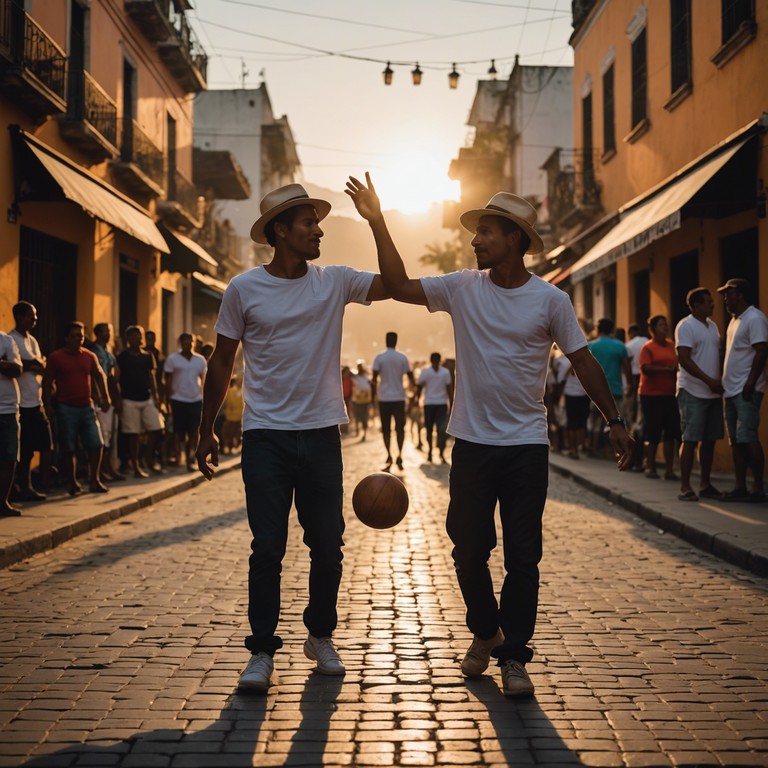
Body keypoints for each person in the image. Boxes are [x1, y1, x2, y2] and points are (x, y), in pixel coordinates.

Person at [347, 174, 633, 697]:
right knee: (467, 549)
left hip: (526, 445)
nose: (474, 240)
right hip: (473, 444)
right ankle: (487, 629)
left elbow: (583, 361)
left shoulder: (550, 300)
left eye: (486, 232)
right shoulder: (461, 287)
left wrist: (613, 420)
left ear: (515, 240)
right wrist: (378, 221)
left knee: (524, 556)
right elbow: (400, 283)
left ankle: (514, 655)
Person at [195, 182, 390, 692]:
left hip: (322, 433)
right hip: (265, 438)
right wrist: (207, 428)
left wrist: (376, 220)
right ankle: (261, 650)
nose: (319, 230)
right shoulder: (243, 288)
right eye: (308, 223)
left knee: (328, 545)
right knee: (268, 547)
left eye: (318, 223)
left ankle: (319, 635)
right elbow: (221, 362)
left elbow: (394, 282)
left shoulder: (335, 281)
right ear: (280, 232)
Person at [42, 322, 109, 496]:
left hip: (87, 407)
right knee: (68, 447)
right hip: (65, 408)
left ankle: (94, 479)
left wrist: (105, 396)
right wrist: (47, 404)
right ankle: (72, 482)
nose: (79, 339)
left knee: (96, 444)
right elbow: (47, 382)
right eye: (74, 335)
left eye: (81, 335)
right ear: (66, 338)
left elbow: (100, 375)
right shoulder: (56, 357)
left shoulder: (89, 356)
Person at [718, 278, 768, 503]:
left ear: (739, 294)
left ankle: (757, 487)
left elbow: (761, 351)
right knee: (736, 441)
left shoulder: (755, 318)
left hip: (747, 389)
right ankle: (740, 486)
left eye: (728, 294)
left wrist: (751, 382)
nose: (725, 299)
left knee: (749, 437)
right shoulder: (733, 321)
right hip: (731, 390)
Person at [674, 288, 725, 501]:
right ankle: (685, 486)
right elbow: (684, 359)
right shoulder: (686, 326)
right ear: (695, 305)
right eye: (707, 302)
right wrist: (709, 381)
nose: (712, 305)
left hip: (712, 392)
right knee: (690, 438)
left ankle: (705, 483)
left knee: (710, 439)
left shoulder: (712, 326)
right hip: (692, 390)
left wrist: (719, 380)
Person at [9, 302, 53, 500]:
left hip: (36, 400)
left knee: (45, 444)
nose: (34, 320)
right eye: (30, 316)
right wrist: (32, 364)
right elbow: (15, 365)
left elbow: (41, 364)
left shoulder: (32, 341)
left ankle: (42, 482)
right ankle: (22, 487)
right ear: (19, 317)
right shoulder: (12, 339)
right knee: (25, 449)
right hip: (22, 402)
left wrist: (36, 365)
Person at [115, 325, 164, 478]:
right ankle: (136, 465)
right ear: (128, 339)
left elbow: (152, 377)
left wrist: (156, 397)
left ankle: (147, 457)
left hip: (147, 398)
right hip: (129, 400)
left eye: (140, 336)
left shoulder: (148, 356)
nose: (138, 339)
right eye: (134, 336)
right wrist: (118, 398)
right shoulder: (122, 357)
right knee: (133, 435)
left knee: (157, 429)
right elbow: (116, 378)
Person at [638, 316, 680, 480]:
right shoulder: (648, 348)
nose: (665, 328)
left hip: (669, 394)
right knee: (653, 431)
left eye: (665, 325)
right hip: (650, 395)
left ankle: (670, 469)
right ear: (653, 329)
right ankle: (650, 466)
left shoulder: (672, 346)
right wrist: (665, 369)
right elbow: (645, 368)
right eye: (661, 325)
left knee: (670, 432)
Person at [587, 318, 633, 456]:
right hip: (615, 389)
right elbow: (626, 368)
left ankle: (593, 447)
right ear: (612, 329)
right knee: (616, 421)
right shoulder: (620, 346)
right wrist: (630, 384)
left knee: (595, 421)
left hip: (595, 392)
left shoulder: (591, 346)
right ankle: (615, 451)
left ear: (597, 329)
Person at [164, 333, 207, 471]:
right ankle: (178, 456)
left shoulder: (200, 360)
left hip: (195, 399)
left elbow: (204, 381)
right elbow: (168, 380)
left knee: (194, 432)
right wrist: (167, 399)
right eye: (184, 341)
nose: (188, 344)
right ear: (180, 343)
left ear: (194, 343)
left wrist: (205, 399)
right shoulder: (173, 359)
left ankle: (190, 458)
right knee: (178, 431)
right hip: (178, 398)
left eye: (190, 341)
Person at [372, 332, 414, 470]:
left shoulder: (380, 358)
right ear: (396, 341)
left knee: (386, 430)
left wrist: (373, 397)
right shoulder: (402, 358)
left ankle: (389, 455)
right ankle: (400, 456)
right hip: (399, 398)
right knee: (400, 429)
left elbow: (374, 379)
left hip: (384, 398)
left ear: (386, 341)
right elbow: (411, 377)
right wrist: (413, 395)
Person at [88, 323, 124, 483]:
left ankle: (109, 467)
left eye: (109, 331)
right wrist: (100, 396)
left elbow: (114, 377)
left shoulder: (110, 351)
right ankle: (100, 471)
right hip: (100, 399)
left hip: (110, 397)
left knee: (110, 435)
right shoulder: (93, 351)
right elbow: (94, 376)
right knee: (101, 436)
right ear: (97, 333)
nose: (108, 334)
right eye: (105, 331)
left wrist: (117, 396)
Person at [413, 351, 453, 463]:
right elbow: (420, 387)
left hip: (438, 404)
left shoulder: (441, 372)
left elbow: (449, 389)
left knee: (439, 430)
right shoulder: (431, 372)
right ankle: (431, 451)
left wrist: (450, 404)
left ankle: (438, 452)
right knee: (431, 429)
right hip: (431, 404)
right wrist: (417, 400)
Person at [0, 331, 22, 516]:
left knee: (9, 458)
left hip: (8, 409)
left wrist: (3, 363)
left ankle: (2, 502)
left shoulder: (6, 340)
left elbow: (17, 369)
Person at [624, 323, 649, 470]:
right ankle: (641, 461)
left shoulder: (628, 346)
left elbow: (627, 367)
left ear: (630, 333)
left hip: (633, 385)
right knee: (642, 425)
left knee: (633, 425)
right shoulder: (646, 342)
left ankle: (635, 460)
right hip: (646, 385)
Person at [221, 375, 243, 454]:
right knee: (237, 433)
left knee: (229, 434)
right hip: (239, 416)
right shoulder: (240, 391)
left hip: (231, 416)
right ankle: (236, 447)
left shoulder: (230, 391)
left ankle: (230, 449)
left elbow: (229, 403)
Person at [350, 361, 373, 440]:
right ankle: (361, 432)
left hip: (359, 401)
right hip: (361, 401)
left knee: (360, 417)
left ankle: (361, 433)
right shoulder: (364, 377)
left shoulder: (358, 377)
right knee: (362, 417)